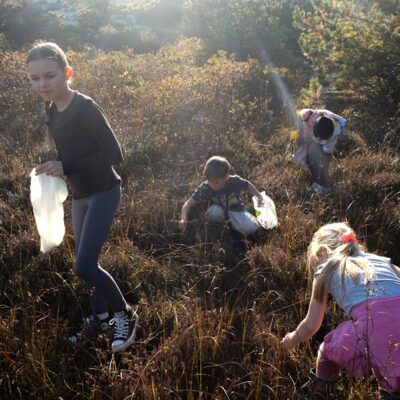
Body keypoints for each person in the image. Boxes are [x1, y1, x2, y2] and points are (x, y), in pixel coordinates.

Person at [27, 42, 138, 352]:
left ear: (67, 73)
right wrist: (55, 167)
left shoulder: (85, 107)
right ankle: (100, 317)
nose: (43, 84)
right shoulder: (51, 110)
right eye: (35, 78)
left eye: (50, 75)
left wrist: (67, 165)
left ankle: (125, 315)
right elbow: (69, 150)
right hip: (79, 195)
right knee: (86, 262)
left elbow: (115, 154)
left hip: (104, 191)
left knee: (84, 266)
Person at [280, 222, 400, 399]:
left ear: (322, 252)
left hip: (374, 326)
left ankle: (322, 392)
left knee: (328, 351)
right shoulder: (382, 261)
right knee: (387, 360)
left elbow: (311, 325)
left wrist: (291, 340)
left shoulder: (325, 270)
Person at [179, 156, 265, 236]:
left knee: (250, 229)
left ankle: (245, 220)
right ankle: (224, 226)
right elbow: (187, 204)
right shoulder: (205, 187)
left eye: (216, 182)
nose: (211, 184)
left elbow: (248, 185)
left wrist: (259, 196)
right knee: (213, 212)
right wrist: (183, 218)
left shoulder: (234, 181)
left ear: (226, 177)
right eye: (209, 180)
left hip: (235, 209)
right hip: (219, 211)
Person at [291, 109, 346, 197]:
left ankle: (323, 184)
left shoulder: (336, 130)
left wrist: (325, 153)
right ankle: (315, 179)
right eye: (318, 137)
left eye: (322, 139)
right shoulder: (309, 119)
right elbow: (305, 135)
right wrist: (302, 138)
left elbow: (328, 149)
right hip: (312, 124)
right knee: (310, 152)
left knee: (324, 155)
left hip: (327, 130)